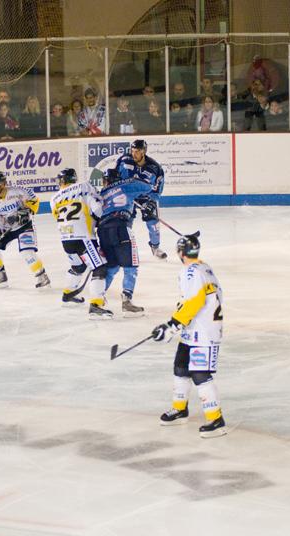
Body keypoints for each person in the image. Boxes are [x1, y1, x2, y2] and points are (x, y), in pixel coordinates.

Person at [153, 232, 226, 438]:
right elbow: (190, 302)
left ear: (181, 253)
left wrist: (173, 324)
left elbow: (195, 301)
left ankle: (216, 419)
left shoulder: (190, 272)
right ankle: (180, 409)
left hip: (203, 331)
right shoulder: (203, 267)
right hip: (194, 328)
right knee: (181, 366)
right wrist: (176, 323)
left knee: (200, 373)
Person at [49, 168, 113, 319]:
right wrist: (99, 221)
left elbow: (56, 216)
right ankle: (96, 306)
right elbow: (97, 208)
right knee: (100, 268)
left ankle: (68, 294)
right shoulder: (84, 186)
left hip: (66, 239)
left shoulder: (54, 198)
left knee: (78, 266)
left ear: (62, 181)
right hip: (83, 237)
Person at [97, 168, 153, 317]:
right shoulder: (125, 185)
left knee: (112, 267)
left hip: (102, 232)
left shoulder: (100, 194)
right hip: (121, 228)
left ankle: (97, 299)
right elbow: (148, 186)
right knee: (131, 266)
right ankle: (127, 302)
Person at [0, 171, 50, 289]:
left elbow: (34, 201)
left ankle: (42, 276)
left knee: (26, 252)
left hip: (24, 226)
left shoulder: (18, 191)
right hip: (8, 229)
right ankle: (0, 276)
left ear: (2, 184)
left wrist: (27, 211)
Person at [114, 139, 167, 259]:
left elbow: (157, 189)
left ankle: (155, 247)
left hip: (146, 197)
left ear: (143, 152)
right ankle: (126, 249)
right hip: (128, 197)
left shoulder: (155, 168)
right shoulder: (124, 160)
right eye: (132, 151)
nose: (134, 154)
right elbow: (115, 177)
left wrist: (152, 202)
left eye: (137, 151)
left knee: (153, 224)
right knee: (126, 224)